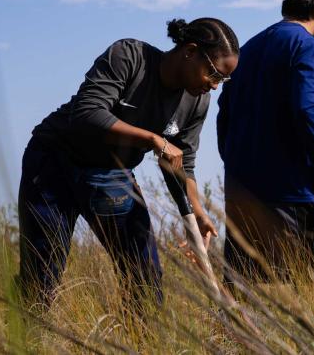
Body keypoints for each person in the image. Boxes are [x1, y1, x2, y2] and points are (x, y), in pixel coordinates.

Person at [19, 18, 240, 313]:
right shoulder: (130, 57)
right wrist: (152, 139)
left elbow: (182, 159)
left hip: (111, 172)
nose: (214, 86)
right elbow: (87, 113)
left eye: (222, 81)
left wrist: (197, 212)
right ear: (190, 51)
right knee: (41, 274)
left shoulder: (197, 102)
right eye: (213, 73)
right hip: (52, 161)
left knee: (144, 278)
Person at [217, 0, 314, 285]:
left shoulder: (247, 49)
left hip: (241, 193)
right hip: (292, 194)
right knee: (308, 291)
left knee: (244, 292)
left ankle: (235, 338)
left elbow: (224, 115)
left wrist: (235, 166)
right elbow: (307, 110)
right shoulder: (309, 49)